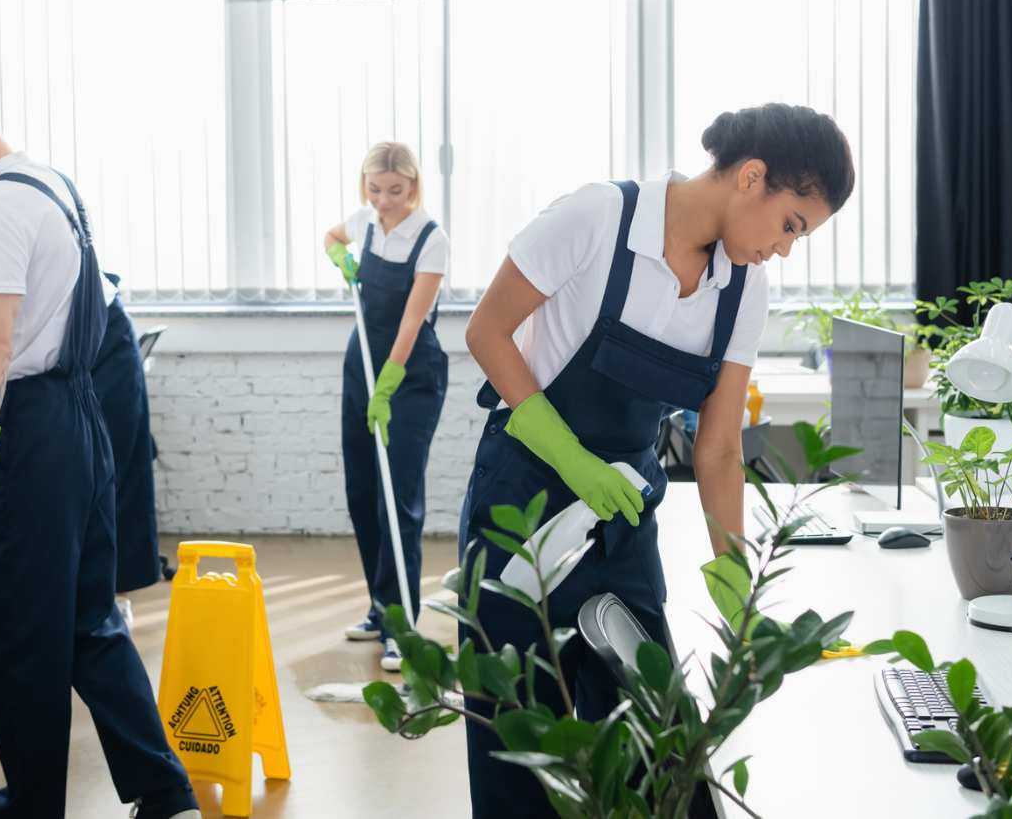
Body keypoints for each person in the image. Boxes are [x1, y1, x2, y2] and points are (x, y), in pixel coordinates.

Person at [458, 104, 854, 817]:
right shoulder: (598, 219)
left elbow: (720, 445)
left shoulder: (742, 289)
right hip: (524, 497)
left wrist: (738, 590)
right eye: (792, 224)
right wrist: (568, 455)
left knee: (658, 749)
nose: (786, 248)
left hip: (622, 521)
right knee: (518, 737)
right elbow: (487, 330)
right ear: (753, 177)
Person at [0, 57, 198, 819]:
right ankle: (166, 793)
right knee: (89, 622)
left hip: (33, 436)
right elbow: (28, 315)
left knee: (18, 643)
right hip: (83, 417)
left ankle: (31, 807)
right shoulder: (51, 183)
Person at [324, 142, 449, 672]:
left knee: (399, 496)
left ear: (414, 186)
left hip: (409, 372)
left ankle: (402, 626)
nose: (384, 201)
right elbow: (333, 237)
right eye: (374, 190)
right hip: (363, 364)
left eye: (395, 191)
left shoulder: (431, 239)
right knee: (362, 490)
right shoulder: (367, 221)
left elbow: (411, 321)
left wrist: (390, 383)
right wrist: (339, 255)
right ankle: (379, 608)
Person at [94, 271, 162, 619]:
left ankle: (111, 603)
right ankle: (105, 604)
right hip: (92, 336)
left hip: (104, 343)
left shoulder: (10, 226)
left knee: (108, 472)